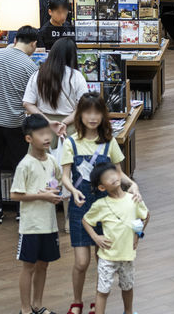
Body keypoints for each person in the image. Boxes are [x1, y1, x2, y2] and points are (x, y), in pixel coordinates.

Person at [61, 92, 141, 314]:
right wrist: (73, 190)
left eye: (97, 112)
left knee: (102, 259)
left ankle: (99, 300)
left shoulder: (109, 142)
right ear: (80, 115)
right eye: (88, 112)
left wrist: (132, 185)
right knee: (81, 262)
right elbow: (65, 176)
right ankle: (77, 301)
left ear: (103, 115)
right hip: (81, 207)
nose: (93, 117)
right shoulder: (71, 143)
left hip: (107, 208)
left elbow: (119, 174)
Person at [0, 26, 39, 223]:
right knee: (19, 165)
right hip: (15, 123)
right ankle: (20, 209)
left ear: (15, 39)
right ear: (33, 44)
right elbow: (33, 99)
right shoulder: (31, 66)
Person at [9, 115, 62, 314]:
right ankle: (25, 309)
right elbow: (15, 194)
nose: (47, 138)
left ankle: (38, 305)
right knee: (28, 267)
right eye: (41, 134)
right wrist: (42, 197)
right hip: (31, 225)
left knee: (43, 265)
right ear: (29, 139)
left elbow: (55, 181)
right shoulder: (25, 165)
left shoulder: (52, 160)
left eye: (48, 133)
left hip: (49, 223)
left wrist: (54, 194)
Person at [82, 162, 149, 314]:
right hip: (107, 256)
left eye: (113, 173)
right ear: (101, 187)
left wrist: (138, 235)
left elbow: (145, 215)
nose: (112, 178)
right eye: (107, 178)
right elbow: (86, 220)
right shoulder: (100, 204)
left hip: (127, 255)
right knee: (103, 290)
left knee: (127, 286)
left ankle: (128, 311)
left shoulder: (133, 199)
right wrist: (95, 237)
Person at [23, 37, 86, 139]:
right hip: (70, 127)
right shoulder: (76, 76)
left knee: (42, 154)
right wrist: (64, 123)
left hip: (43, 128)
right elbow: (83, 106)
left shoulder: (39, 74)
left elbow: (27, 103)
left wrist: (47, 121)